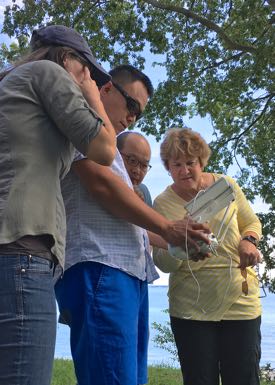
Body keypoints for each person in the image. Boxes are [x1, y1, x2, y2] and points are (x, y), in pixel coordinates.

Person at [55, 67, 210, 385]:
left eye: (139, 113)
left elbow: (129, 222)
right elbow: (101, 187)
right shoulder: (83, 125)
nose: (133, 117)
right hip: (100, 268)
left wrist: (182, 239)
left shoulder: (107, 145)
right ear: (107, 89)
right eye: (132, 106)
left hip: (128, 276)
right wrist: (168, 227)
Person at [0, 24, 117, 385]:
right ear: (68, 58)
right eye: (89, 71)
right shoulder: (49, 72)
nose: (92, 81)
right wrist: (93, 98)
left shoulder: (11, 85)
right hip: (23, 253)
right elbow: (105, 149)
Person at [153, 127, 263, 385]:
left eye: (190, 162)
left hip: (240, 302)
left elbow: (252, 222)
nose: (184, 170)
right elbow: (163, 263)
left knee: (244, 379)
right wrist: (180, 246)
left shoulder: (226, 186)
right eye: (176, 164)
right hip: (191, 308)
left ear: (201, 162)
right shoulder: (162, 204)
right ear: (167, 167)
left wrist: (248, 242)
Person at [117, 131, 153, 206]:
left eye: (144, 166)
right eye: (132, 161)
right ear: (115, 155)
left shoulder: (143, 192)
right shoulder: (94, 180)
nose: (137, 171)